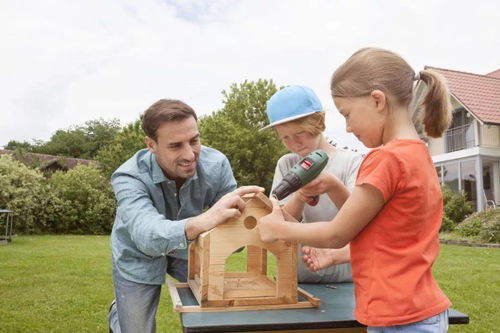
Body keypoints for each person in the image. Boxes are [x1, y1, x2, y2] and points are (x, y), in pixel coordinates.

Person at [258, 47, 452, 332]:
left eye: (347, 114)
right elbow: (373, 224)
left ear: (377, 100)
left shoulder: (385, 158)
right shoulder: (415, 153)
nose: (347, 128)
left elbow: (338, 233)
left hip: (401, 317)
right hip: (407, 310)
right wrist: (334, 186)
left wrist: (277, 228)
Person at [108, 99, 263, 333]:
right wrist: (207, 219)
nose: (190, 154)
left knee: (213, 316)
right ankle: (118, 313)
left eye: (194, 141)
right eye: (175, 146)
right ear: (151, 145)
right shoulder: (128, 177)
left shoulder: (217, 165)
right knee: (136, 329)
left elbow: (235, 234)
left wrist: (246, 220)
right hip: (137, 253)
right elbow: (148, 237)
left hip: (187, 250)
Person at [262, 85, 362, 283]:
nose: (294, 143)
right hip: (299, 277)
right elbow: (279, 221)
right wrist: (300, 196)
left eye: (300, 133)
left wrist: (333, 186)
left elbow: (358, 216)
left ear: (319, 122)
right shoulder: (287, 164)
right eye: (285, 138)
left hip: (346, 277)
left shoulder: (351, 161)